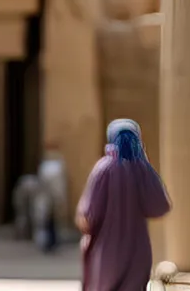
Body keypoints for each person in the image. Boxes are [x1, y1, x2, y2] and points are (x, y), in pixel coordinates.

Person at [76, 119, 170, 291]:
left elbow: (88, 215)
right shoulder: (143, 170)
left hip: (106, 255)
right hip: (138, 254)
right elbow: (160, 206)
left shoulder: (104, 169)